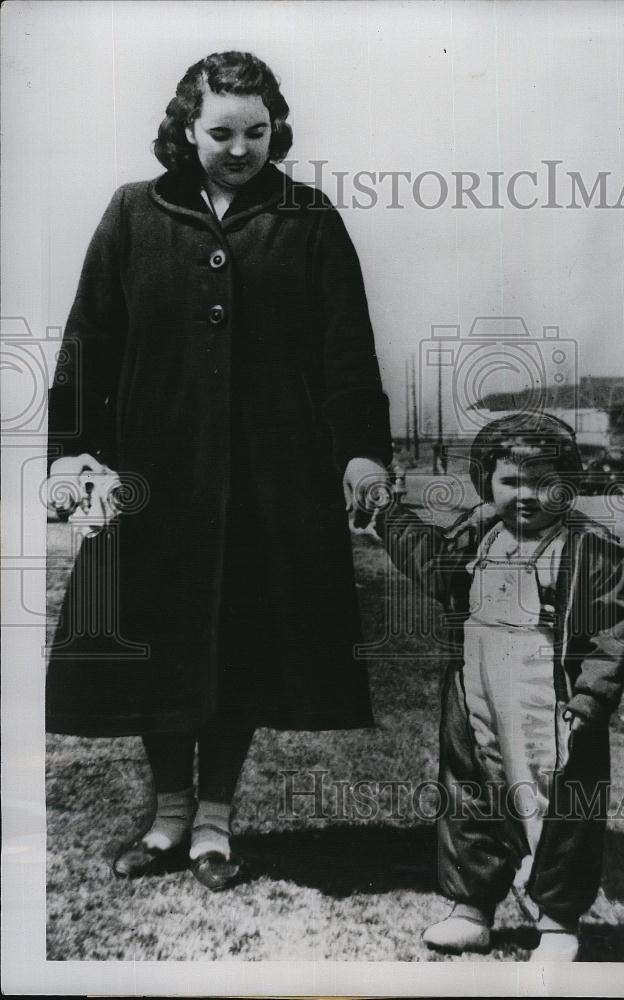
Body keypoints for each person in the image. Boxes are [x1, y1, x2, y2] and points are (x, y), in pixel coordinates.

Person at [45, 50, 391, 891]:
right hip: (153, 478)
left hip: (270, 480)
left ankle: (213, 826)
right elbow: (90, 339)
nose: (241, 148)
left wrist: (359, 447)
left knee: (237, 647)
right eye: (222, 132)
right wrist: (74, 450)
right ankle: (166, 818)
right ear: (185, 130)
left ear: (275, 129)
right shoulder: (133, 211)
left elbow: (346, 347)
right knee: (157, 644)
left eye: (258, 132)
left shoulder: (307, 216)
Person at [376, 411, 624, 960]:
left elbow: (613, 633)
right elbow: (431, 561)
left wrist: (588, 700)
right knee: (471, 792)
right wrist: (387, 517)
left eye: (545, 482)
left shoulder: (588, 548)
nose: (527, 495)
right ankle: (471, 907)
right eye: (511, 481)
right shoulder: (478, 534)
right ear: (486, 482)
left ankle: (558, 922)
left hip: (549, 698)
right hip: (477, 688)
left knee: (555, 801)